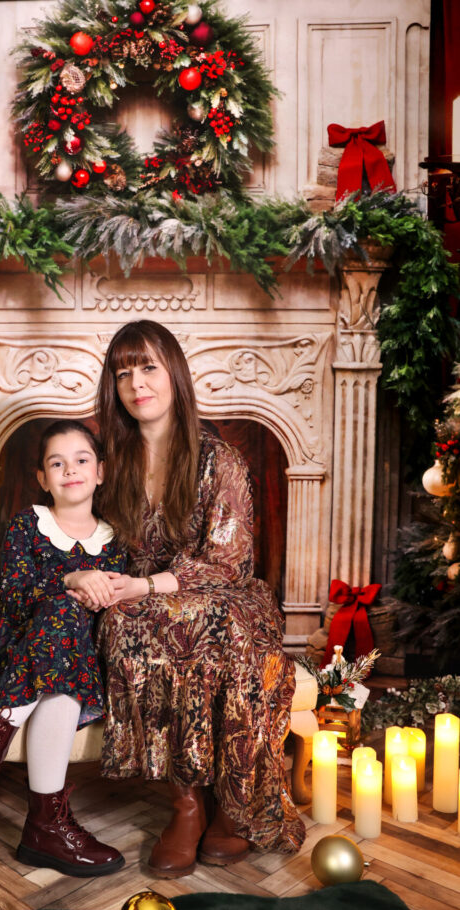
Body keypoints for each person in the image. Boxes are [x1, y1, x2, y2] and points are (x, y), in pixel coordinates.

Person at [91, 320, 305, 879]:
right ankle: (186, 806)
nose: (136, 383)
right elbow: (92, 543)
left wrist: (151, 585)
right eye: (123, 372)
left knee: (218, 628)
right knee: (126, 624)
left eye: (148, 367)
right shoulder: (108, 464)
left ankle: (232, 806)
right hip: (146, 601)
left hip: (226, 596)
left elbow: (229, 563)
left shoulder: (220, 459)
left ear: (175, 375)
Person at [0, 420, 126, 877]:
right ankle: (45, 824)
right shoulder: (28, 524)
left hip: (65, 657)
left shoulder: (114, 543)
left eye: (81, 461)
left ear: (100, 472)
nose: (69, 470)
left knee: (68, 629)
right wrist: (70, 579)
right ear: (42, 478)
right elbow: (14, 594)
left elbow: (105, 604)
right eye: (57, 463)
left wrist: (84, 596)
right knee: (62, 614)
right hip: (11, 643)